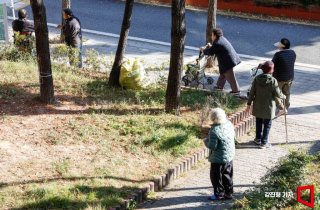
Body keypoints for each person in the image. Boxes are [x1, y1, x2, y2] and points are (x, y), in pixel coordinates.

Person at [247, 61, 285, 149]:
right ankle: (264, 142)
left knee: (258, 122)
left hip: (258, 104)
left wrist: (249, 103)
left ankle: (257, 139)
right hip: (269, 106)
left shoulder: (256, 79)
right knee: (267, 124)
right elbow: (277, 93)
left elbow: (252, 92)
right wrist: (284, 96)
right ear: (271, 70)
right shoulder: (272, 80)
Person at [204, 108, 235, 200]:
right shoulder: (229, 124)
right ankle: (228, 193)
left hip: (218, 158)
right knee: (227, 175)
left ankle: (219, 194)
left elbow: (212, 146)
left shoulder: (214, 131)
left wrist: (206, 141)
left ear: (213, 118)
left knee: (216, 177)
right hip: (229, 155)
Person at [200, 28, 241, 95]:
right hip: (231, 59)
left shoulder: (217, 43)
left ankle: (236, 91)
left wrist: (203, 50)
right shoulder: (222, 39)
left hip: (228, 62)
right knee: (223, 74)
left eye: (212, 35)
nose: (211, 37)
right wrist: (211, 46)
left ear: (215, 35)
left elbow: (210, 52)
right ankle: (219, 87)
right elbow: (215, 49)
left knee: (230, 77)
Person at [272, 38, 296, 115]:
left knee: (276, 94)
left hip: (279, 78)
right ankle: (286, 107)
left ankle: (281, 108)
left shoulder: (278, 55)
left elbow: (272, 65)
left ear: (282, 46)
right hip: (289, 77)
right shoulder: (292, 53)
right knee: (287, 93)